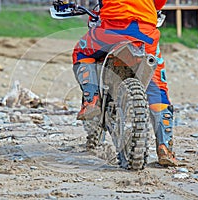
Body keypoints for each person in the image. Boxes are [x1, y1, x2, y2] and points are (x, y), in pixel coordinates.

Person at [72, 0, 178, 166]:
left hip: (111, 31)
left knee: (81, 52)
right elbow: (159, 3)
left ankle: (91, 100)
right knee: (157, 85)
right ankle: (165, 146)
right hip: (145, 34)